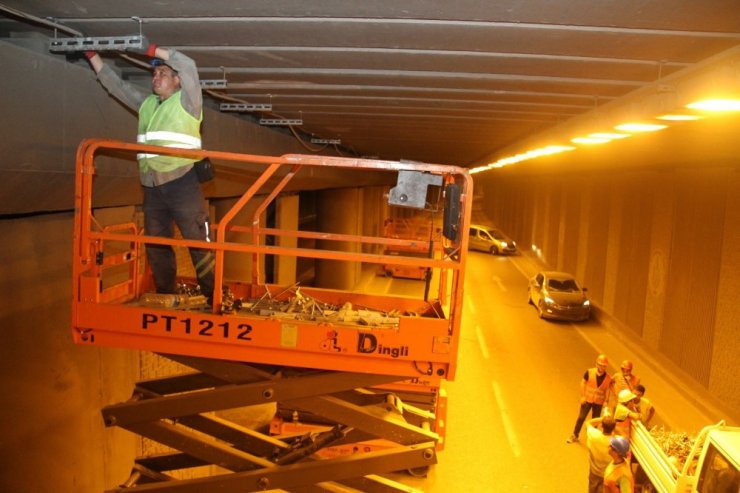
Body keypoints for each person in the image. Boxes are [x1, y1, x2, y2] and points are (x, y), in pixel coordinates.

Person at [84, 39, 215, 304]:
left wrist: (152, 50)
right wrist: (92, 56)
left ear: (177, 81)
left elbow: (188, 65)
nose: (156, 77)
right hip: (152, 186)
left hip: (182, 182)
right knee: (156, 244)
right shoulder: (147, 104)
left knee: (197, 241)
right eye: (154, 73)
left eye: (163, 73)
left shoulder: (188, 102)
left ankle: (213, 295)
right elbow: (117, 87)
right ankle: (166, 295)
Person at [567, 354, 613, 443]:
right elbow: (583, 383)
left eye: (604, 366)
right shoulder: (589, 372)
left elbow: (607, 389)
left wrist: (606, 401)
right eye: (600, 365)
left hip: (599, 402)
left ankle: (592, 438)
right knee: (581, 418)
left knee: (595, 421)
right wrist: (583, 396)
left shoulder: (608, 378)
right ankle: (575, 435)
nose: (602, 367)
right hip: (587, 400)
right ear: (597, 364)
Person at [586, 416, 617, 493]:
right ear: (613, 428)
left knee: (592, 488)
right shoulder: (615, 442)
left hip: (594, 471)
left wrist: (602, 418)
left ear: (602, 426)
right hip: (607, 473)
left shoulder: (594, 435)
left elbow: (588, 423)